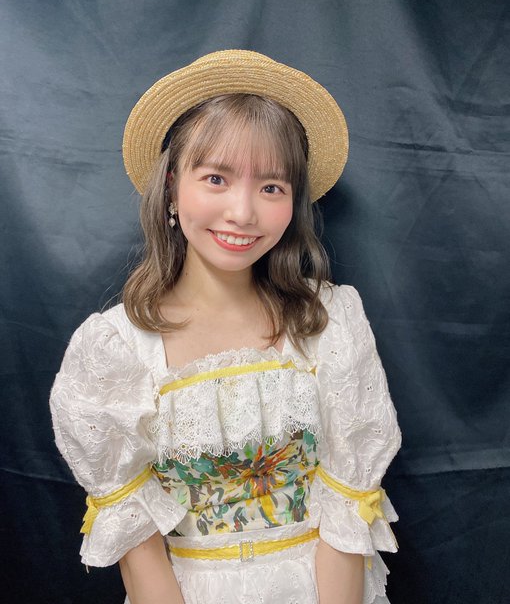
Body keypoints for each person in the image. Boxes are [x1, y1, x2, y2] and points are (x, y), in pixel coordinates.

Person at [49, 49, 401, 604]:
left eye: (271, 187)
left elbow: (349, 509)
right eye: (216, 178)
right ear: (171, 185)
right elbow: (137, 547)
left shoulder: (330, 322)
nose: (242, 212)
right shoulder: (115, 348)